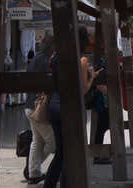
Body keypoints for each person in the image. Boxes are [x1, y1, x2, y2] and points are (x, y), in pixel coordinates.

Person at [44, 22, 99, 188]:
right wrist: (92, 77)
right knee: (72, 152)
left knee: (60, 151)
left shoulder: (55, 56)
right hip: (70, 108)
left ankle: (49, 185)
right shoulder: (81, 60)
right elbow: (83, 89)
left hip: (53, 105)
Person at [24, 36, 56, 184]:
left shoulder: (35, 60)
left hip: (29, 105)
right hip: (40, 106)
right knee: (52, 142)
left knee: (37, 140)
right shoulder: (49, 60)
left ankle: (34, 171)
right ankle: (32, 168)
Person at [93, 54, 111, 165]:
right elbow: (99, 82)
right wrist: (109, 94)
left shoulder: (106, 63)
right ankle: (97, 155)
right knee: (101, 127)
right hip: (102, 102)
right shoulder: (102, 63)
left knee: (103, 127)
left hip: (105, 101)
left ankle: (98, 153)